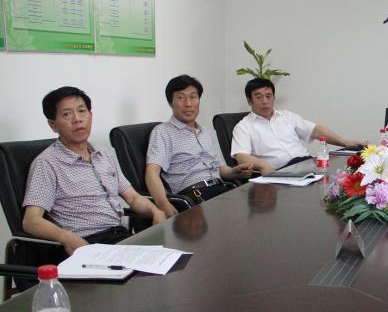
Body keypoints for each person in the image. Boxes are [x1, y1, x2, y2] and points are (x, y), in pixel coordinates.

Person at [23, 86, 166, 256]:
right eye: (67, 114)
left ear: (90, 115)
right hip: (86, 242)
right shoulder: (47, 163)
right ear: (53, 125)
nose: (77, 119)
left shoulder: (103, 156)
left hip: (119, 237)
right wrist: (66, 237)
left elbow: (133, 197)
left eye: (81, 111)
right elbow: (31, 221)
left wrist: (156, 212)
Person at [146, 75, 254, 215]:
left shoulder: (205, 132)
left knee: (260, 207)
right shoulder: (162, 132)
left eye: (193, 97)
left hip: (221, 189)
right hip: (194, 196)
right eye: (181, 97)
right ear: (171, 103)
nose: (188, 104)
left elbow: (220, 169)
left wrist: (234, 171)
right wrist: (163, 204)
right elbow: (152, 172)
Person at [230, 78, 365, 174]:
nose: (265, 101)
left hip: (307, 164)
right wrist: (263, 167)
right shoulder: (244, 127)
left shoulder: (287, 116)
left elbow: (315, 130)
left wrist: (345, 142)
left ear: (274, 98)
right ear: (249, 101)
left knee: (349, 171)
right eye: (259, 97)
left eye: (268, 96)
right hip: (282, 173)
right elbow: (241, 156)